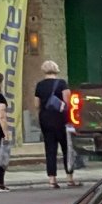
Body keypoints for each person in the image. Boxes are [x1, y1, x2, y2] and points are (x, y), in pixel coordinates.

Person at [34, 59, 76, 188]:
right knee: (66, 148)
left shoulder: (39, 85)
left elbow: (36, 104)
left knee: (50, 149)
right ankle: (69, 178)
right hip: (61, 118)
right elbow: (68, 102)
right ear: (56, 69)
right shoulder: (62, 83)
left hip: (45, 118)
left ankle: (52, 179)